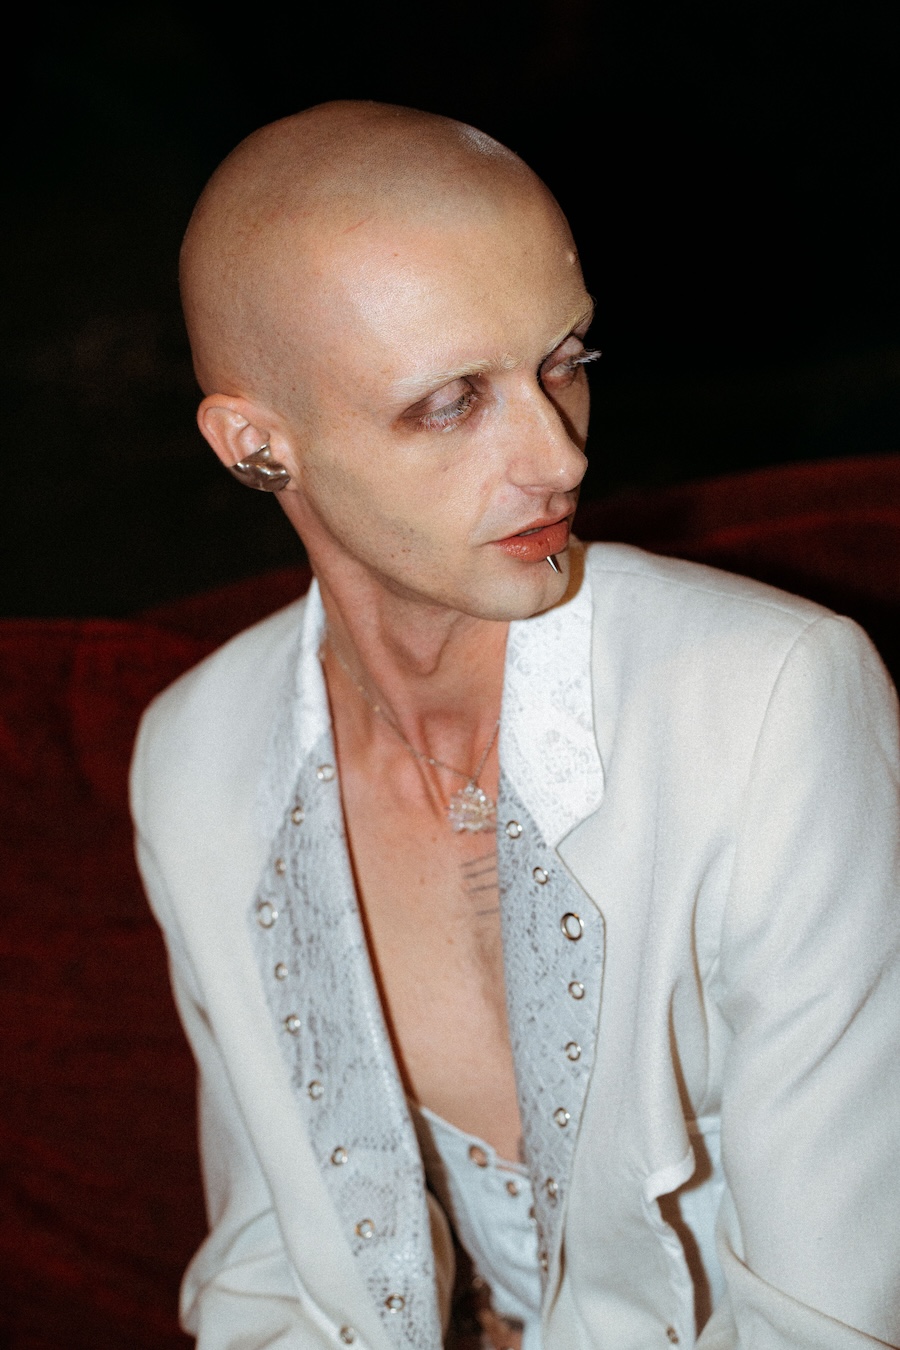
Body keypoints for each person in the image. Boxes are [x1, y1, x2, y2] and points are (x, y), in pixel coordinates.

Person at [130, 101, 900, 1350]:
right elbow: (273, 1263)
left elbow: (834, 1320)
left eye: (567, 360)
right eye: (451, 403)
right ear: (257, 445)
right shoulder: (196, 760)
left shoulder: (770, 704)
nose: (558, 456)